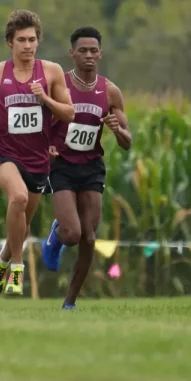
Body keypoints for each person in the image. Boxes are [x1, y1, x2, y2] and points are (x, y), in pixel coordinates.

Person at [0, 9, 75, 297]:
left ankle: (2, 261)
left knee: (23, 223)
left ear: (38, 41)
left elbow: (69, 113)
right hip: (5, 153)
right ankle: (17, 268)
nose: (27, 46)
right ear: (10, 43)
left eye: (32, 40)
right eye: (21, 40)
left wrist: (45, 98)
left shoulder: (51, 71)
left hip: (38, 159)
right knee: (17, 197)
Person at [40, 27, 131, 310]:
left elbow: (128, 141)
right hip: (62, 166)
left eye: (94, 51)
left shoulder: (110, 91)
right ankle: (56, 235)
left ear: (100, 54)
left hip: (91, 167)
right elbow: (38, 123)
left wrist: (117, 131)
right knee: (72, 233)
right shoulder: (59, 85)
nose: (89, 55)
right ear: (72, 53)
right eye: (83, 50)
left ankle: (70, 301)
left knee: (90, 238)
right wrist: (47, 148)